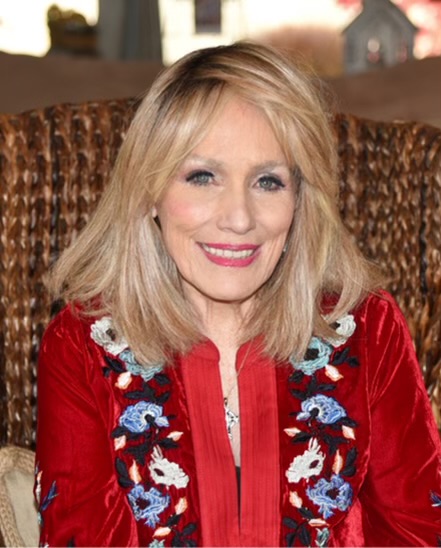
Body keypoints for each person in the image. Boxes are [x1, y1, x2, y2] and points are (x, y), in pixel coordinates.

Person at [34, 42, 441, 547]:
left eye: (268, 181)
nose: (240, 218)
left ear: (301, 200)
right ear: (149, 192)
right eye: (202, 177)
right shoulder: (81, 346)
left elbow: (417, 531)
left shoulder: (367, 330)